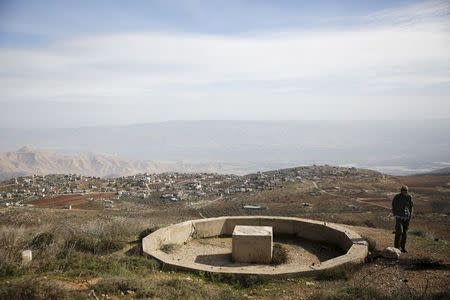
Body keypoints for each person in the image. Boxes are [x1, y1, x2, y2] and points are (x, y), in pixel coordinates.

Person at [392, 185, 413, 252]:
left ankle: (403, 247)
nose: (405, 191)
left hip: (406, 217)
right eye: (404, 190)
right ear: (401, 190)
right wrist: (395, 214)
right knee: (399, 232)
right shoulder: (397, 197)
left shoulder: (409, 197)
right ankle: (396, 247)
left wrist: (410, 216)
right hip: (399, 216)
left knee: (405, 233)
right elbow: (393, 205)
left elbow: (411, 207)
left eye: (406, 190)